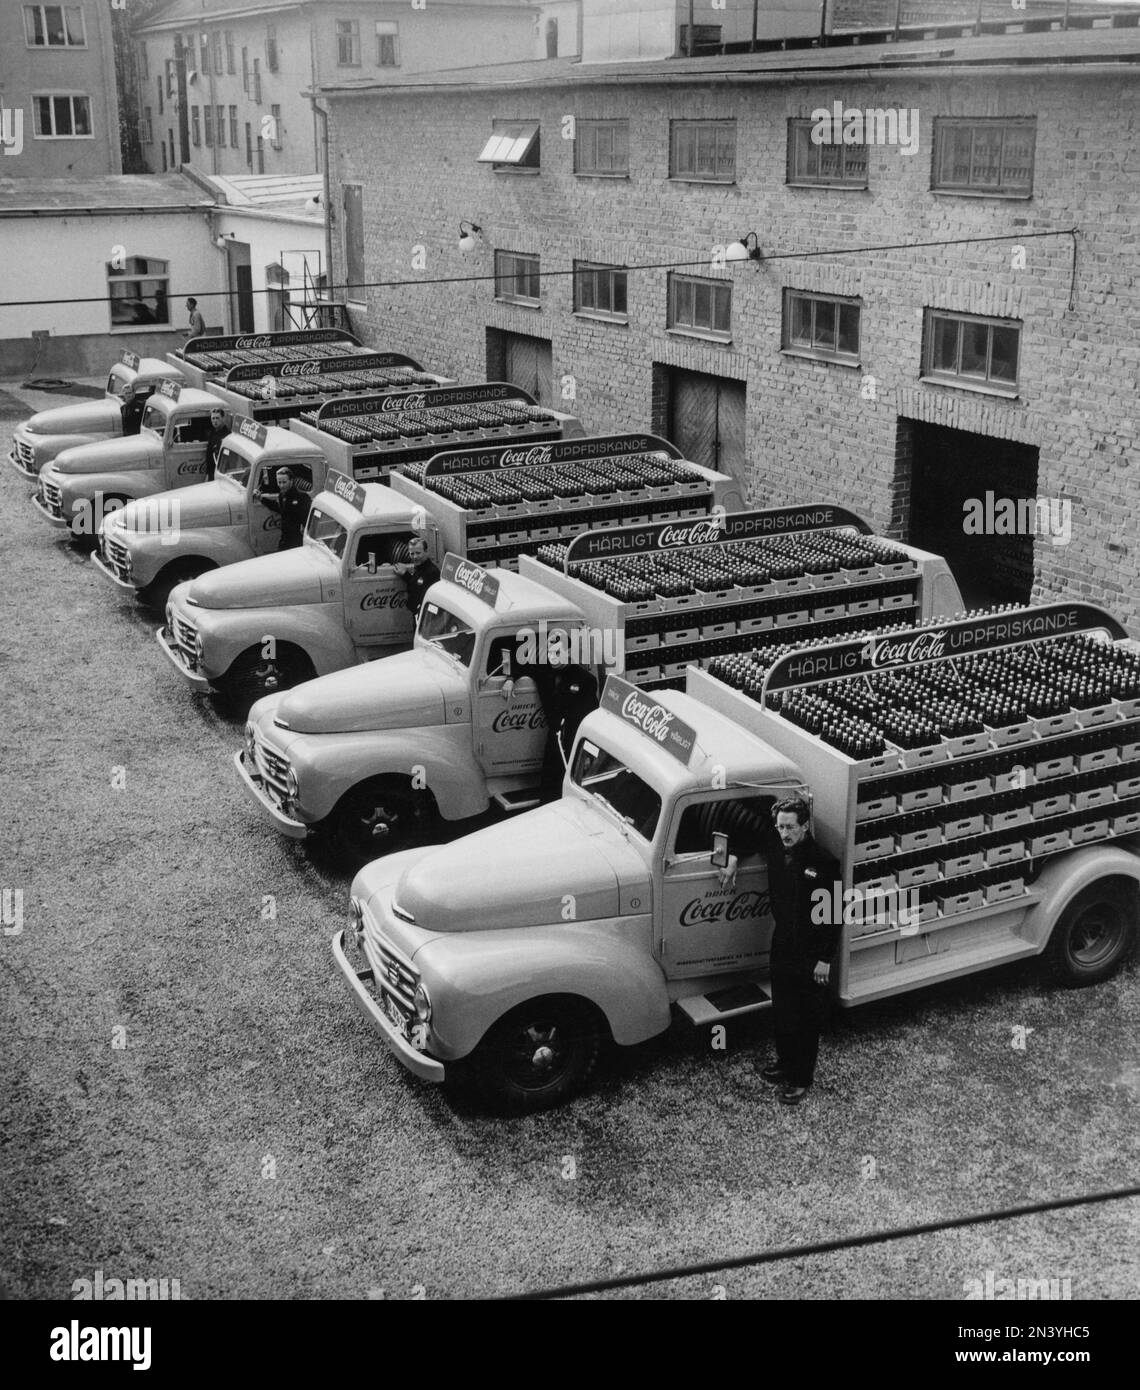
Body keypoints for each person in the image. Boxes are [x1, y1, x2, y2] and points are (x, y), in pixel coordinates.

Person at [757, 797, 842, 1106]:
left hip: (810, 951)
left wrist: (825, 959)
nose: (784, 833)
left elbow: (832, 914)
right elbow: (744, 829)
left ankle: (801, 1079)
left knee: (807, 1017)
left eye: (790, 827)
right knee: (782, 1007)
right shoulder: (777, 847)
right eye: (780, 826)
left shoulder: (823, 862)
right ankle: (784, 1063)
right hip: (782, 943)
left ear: (805, 826)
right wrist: (732, 858)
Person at [508, 628, 598, 804]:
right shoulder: (544, 671)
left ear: (569, 652)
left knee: (571, 790)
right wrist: (511, 679)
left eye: (557, 652)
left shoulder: (585, 680)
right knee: (548, 786)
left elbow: (591, 719)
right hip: (554, 738)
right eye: (549, 652)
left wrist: (588, 754)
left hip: (573, 742)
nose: (552, 657)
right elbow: (519, 662)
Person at [256, 466, 311, 550]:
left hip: (297, 541)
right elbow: (279, 508)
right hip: (285, 538)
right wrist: (261, 499)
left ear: (291, 481)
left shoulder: (302, 498)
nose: (281, 485)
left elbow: (307, 523)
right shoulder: (282, 495)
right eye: (279, 482)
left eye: (284, 482)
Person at [391, 536, 440, 623]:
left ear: (426, 552)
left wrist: (406, 574)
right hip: (417, 615)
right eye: (412, 554)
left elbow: (419, 591)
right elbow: (417, 583)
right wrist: (405, 574)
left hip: (426, 618)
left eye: (418, 553)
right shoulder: (419, 568)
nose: (415, 557)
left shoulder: (432, 572)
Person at [205, 407, 228, 481]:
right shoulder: (212, 433)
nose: (215, 421)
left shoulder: (227, 436)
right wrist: (208, 474)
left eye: (217, 418)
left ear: (223, 419)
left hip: (220, 475)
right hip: (211, 473)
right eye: (213, 418)